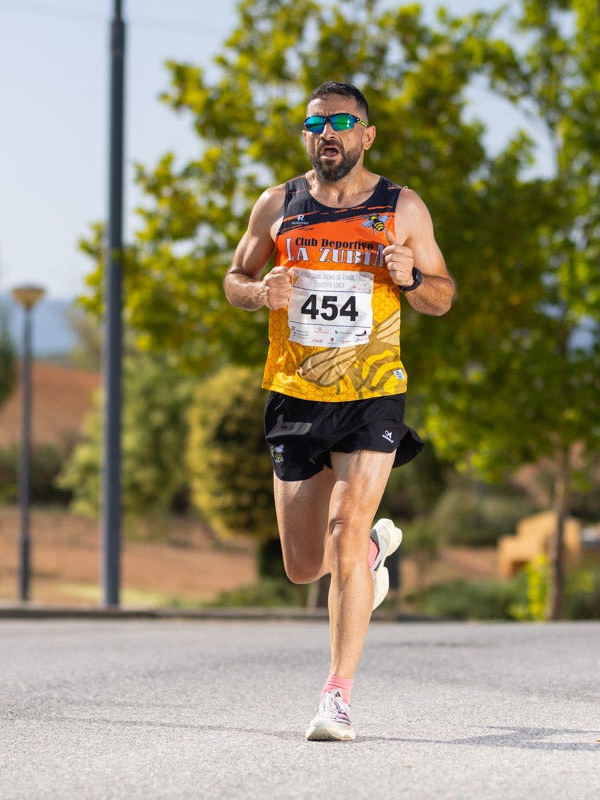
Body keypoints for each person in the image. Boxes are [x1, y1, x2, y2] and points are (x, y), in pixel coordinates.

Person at [223, 80, 455, 741]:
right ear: (306, 135)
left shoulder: (402, 207)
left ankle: (337, 696)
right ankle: (376, 551)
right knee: (303, 564)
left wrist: (411, 277)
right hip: (296, 391)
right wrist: (258, 292)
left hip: (372, 391)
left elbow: (442, 296)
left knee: (343, 534)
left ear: (366, 136)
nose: (328, 132)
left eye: (343, 123)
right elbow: (234, 280)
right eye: (316, 123)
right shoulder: (277, 204)